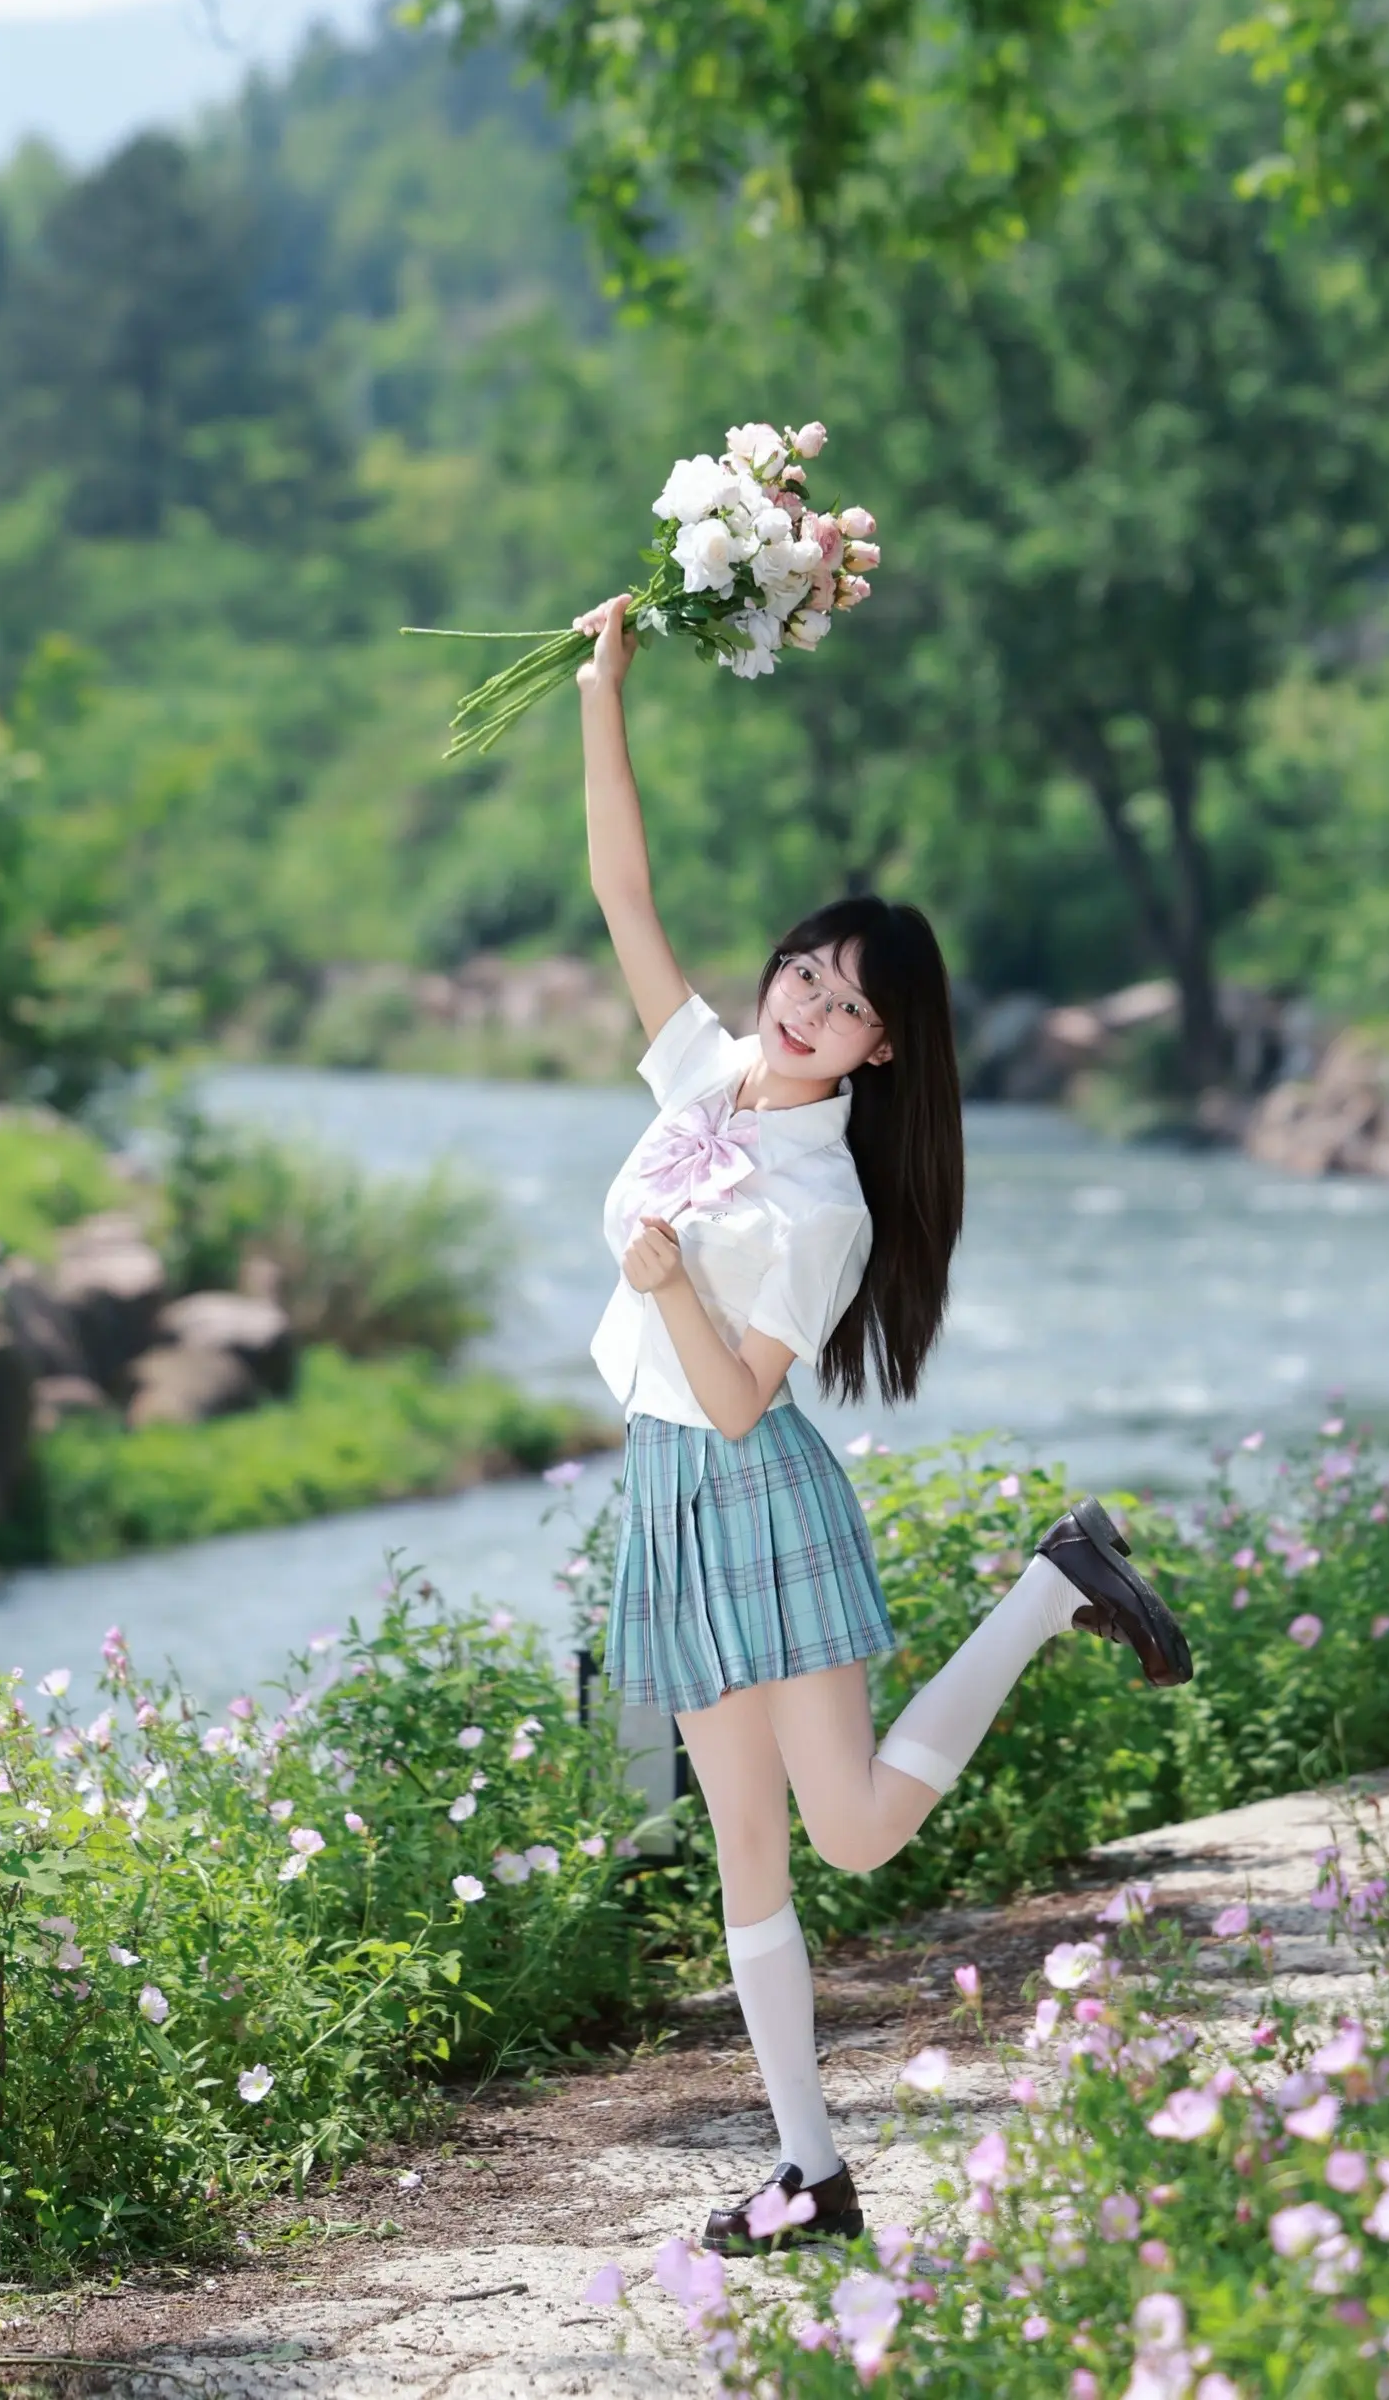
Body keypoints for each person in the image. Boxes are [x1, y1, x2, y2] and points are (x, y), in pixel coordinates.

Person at [572, 591, 1194, 2257]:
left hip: (750, 1484)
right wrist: (599, 688)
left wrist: (670, 1279)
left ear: (883, 1044)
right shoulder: (702, 1074)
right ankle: (811, 2172)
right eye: (803, 971)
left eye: (844, 1002)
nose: (805, 1003)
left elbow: (736, 1391)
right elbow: (620, 889)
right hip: (667, 1493)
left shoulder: (826, 1197)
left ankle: (1054, 1582)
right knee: (747, 1859)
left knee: (846, 1829)